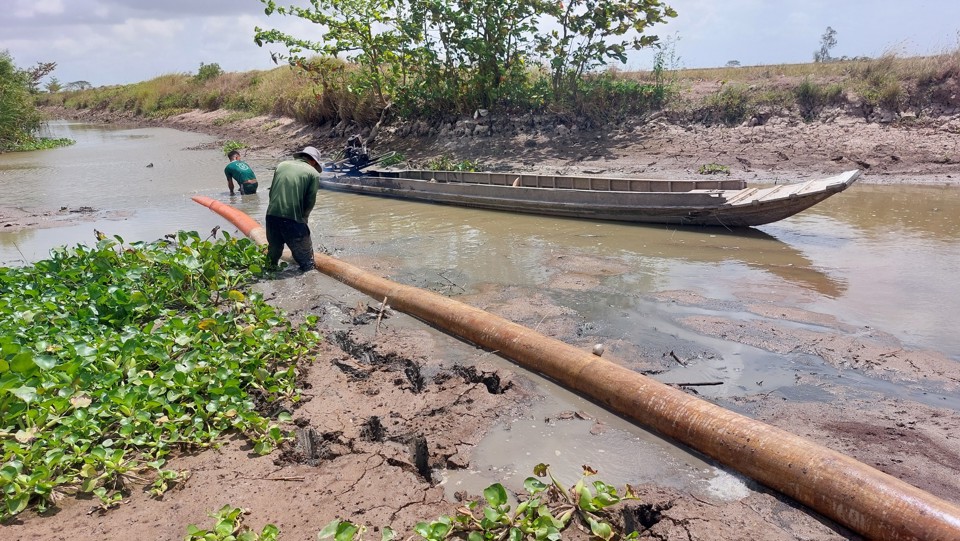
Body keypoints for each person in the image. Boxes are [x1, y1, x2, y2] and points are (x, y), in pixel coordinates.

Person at [265, 146, 324, 272]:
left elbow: (272, 192)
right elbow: (310, 200)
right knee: (307, 263)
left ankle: (270, 279)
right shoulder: (313, 173)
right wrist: (304, 218)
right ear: (313, 161)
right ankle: (309, 288)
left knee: (273, 253)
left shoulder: (282, 165)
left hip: (271, 215)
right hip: (292, 218)